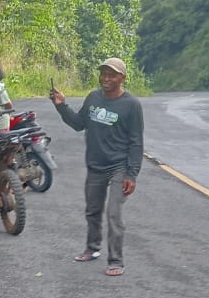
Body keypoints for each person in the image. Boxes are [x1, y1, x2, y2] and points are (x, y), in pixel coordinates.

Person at [49, 57, 143, 277]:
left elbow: (136, 142)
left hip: (119, 166)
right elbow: (79, 123)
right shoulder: (93, 97)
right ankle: (92, 249)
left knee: (113, 214)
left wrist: (132, 173)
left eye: (112, 74)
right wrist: (61, 105)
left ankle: (116, 260)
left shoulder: (131, 105)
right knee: (92, 210)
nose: (106, 78)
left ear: (122, 77)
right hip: (95, 165)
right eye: (103, 73)